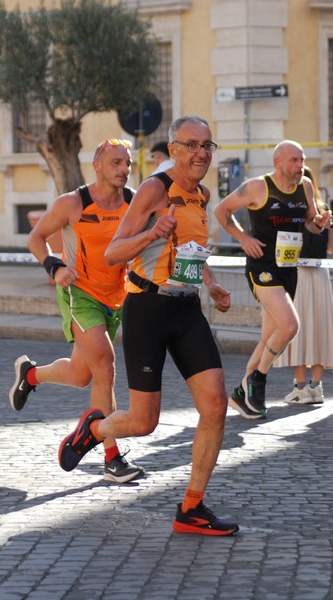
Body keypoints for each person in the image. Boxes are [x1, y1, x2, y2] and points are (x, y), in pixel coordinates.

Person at [58, 115, 240, 536]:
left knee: (214, 406)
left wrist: (210, 284)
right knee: (144, 422)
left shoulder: (202, 194)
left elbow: (193, 251)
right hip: (147, 309)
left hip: (187, 308)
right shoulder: (156, 189)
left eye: (207, 146)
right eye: (191, 145)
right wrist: (153, 231)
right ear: (173, 149)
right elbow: (114, 252)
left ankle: (191, 508)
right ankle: (96, 428)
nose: (200, 153)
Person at [9, 138, 145, 484]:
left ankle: (30, 375)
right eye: (116, 163)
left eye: (127, 163)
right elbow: (35, 238)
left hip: (116, 296)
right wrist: (54, 268)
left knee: (80, 375)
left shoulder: (134, 202)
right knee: (105, 365)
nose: (123, 170)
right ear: (97, 165)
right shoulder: (73, 203)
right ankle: (111, 457)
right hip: (79, 294)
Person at [214, 141, 332, 420]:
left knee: (269, 335)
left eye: (301, 160)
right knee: (290, 325)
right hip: (262, 266)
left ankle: (243, 394)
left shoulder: (304, 185)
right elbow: (221, 210)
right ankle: (258, 379)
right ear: (278, 162)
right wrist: (243, 238)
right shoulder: (258, 186)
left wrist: (321, 222)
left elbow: (309, 222)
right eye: (293, 160)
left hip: (288, 268)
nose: (299, 165)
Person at [274, 165, 333, 404]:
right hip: (319, 275)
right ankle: (316, 387)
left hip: (295, 273)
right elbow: (330, 248)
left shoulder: (292, 213)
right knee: (319, 329)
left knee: (294, 330)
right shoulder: (323, 211)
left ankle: (300, 387)